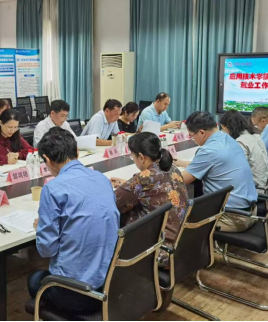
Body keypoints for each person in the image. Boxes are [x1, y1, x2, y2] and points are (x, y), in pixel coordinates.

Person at [29, 128, 119, 314]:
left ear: (47, 160)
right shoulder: (101, 178)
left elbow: (46, 250)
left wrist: (41, 228)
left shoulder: (53, 189)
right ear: (77, 151)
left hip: (78, 294)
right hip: (111, 284)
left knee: (35, 279)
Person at [111, 132, 188, 267]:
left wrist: (129, 186)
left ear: (141, 157)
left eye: (133, 156)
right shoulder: (173, 168)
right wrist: (129, 184)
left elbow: (112, 205)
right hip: (183, 242)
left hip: (159, 249)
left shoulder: (142, 180)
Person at [174, 112, 258, 233]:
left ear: (202, 133)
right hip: (250, 212)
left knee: (177, 218)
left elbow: (181, 181)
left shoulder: (208, 151)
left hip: (232, 218)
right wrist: (180, 163)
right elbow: (210, 165)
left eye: (192, 136)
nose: (193, 139)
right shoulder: (228, 139)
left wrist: (157, 174)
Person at [220, 110, 268, 192]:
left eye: (223, 130)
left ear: (228, 127)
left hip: (252, 188)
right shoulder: (256, 136)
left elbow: (237, 170)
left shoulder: (240, 142)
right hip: (262, 183)